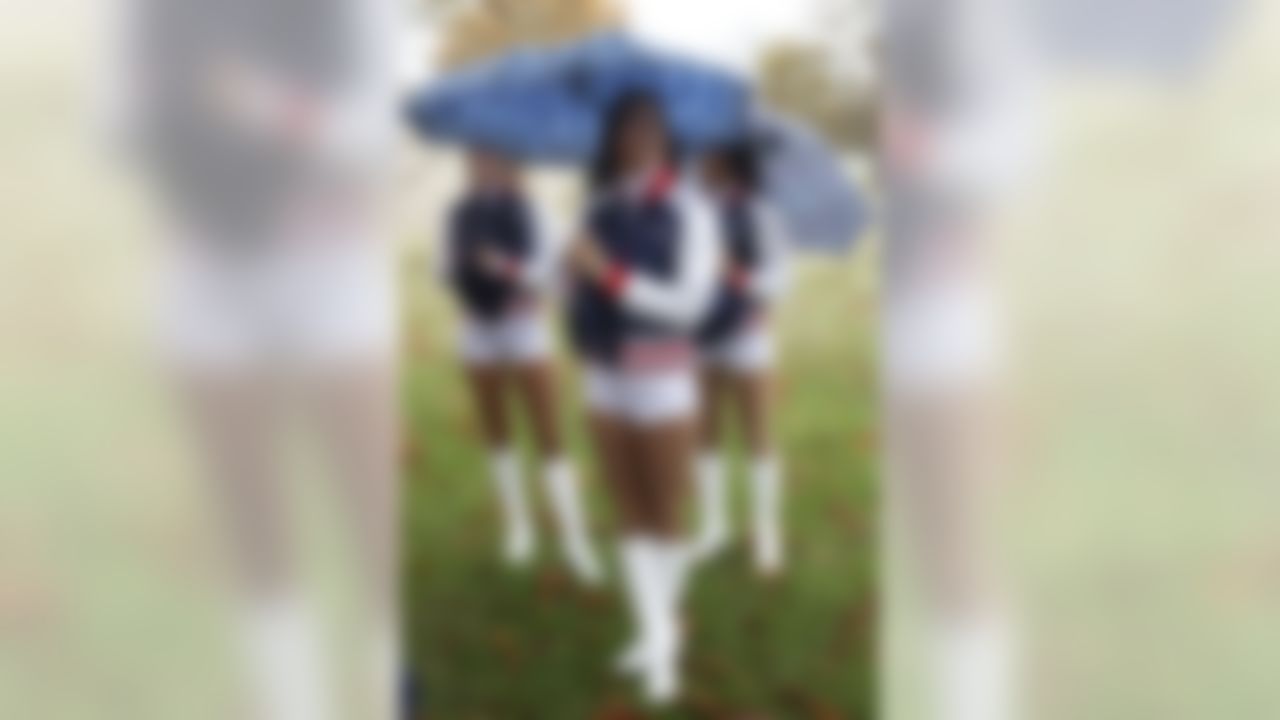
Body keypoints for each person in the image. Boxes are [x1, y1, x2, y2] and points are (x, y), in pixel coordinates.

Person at [565, 93, 721, 704]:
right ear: (611, 139)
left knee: (666, 514)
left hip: (660, 373)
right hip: (603, 372)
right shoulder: (595, 207)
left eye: (650, 126)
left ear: (666, 137)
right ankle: (654, 635)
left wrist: (607, 274)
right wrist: (568, 269)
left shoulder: (691, 210)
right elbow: (572, 288)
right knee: (628, 513)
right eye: (626, 127)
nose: (638, 138)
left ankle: (663, 648)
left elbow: (690, 304)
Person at [437, 149, 602, 585]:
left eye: (489, 158)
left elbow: (555, 279)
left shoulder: (536, 212)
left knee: (549, 434)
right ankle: (519, 528)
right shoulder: (456, 212)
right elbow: (441, 270)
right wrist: (458, 264)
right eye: (474, 157)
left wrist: (504, 265)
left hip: (525, 325)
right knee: (497, 434)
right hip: (477, 329)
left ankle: (574, 538)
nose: (480, 165)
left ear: (510, 162)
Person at [690, 141, 791, 575]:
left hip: (748, 336)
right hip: (700, 335)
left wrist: (734, 273)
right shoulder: (691, 211)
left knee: (757, 434)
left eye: (708, 154)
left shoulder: (759, 213)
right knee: (705, 433)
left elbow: (781, 280)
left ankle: (767, 532)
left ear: (728, 160)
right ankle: (713, 528)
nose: (700, 161)